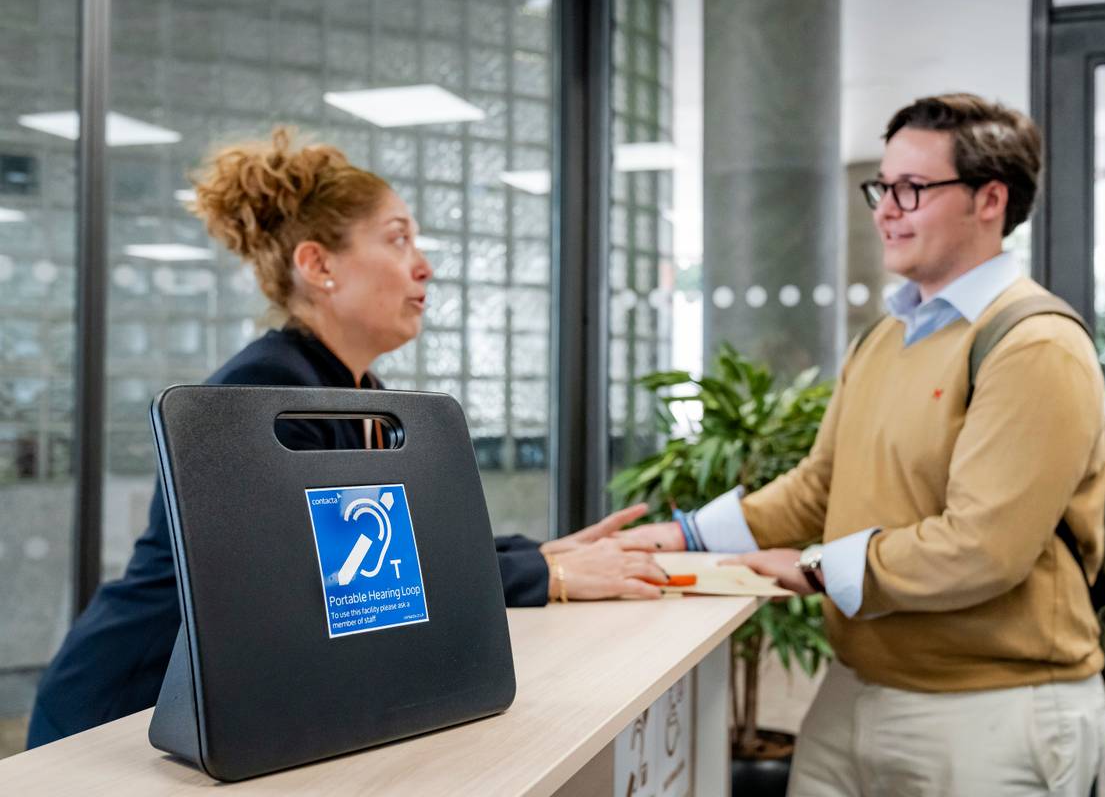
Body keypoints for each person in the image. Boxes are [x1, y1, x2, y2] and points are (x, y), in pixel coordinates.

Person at [27, 128, 665, 748]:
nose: (424, 267)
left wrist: (544, 552)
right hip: (127, 710)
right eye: (398, 239)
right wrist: (545, 572)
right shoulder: (266, 389)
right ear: (318, 265)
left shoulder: (354, 392)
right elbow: (339, 579)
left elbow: (402, 548)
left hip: (220, 705)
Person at [622, 94, 1105, 796]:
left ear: (990, 199)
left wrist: (817, 568)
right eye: (883, 188)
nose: (886, 211)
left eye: (912, 189)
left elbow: (982, 549)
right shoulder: (885, 337)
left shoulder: (1033, 345)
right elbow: (821, 484)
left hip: (995, 709)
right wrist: (682, 537)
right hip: (857, 685)